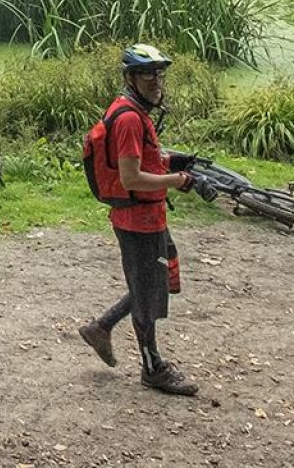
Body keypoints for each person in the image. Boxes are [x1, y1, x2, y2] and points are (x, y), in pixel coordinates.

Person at [77, 43, 200, 397]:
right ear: (131, 77)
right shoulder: (130, 118)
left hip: (149, 215)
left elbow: (141, 159)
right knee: (148, 291)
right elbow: (131, 178)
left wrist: (172, 160)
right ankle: (152, 369)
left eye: (160, 73)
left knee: (155, 282)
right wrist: (177, 181)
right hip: (137, 220)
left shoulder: (133, 111)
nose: (156, 80)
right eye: (148, 74)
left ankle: (100, 327)